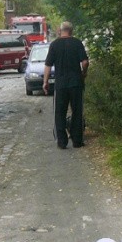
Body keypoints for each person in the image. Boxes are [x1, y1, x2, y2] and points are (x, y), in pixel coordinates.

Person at [43, 21, 89, 149]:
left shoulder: (54, 45)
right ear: (71, 31)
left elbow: (48, 65)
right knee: (77, 111)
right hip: (76, 83)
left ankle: (62, 142)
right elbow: (85, 62)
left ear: (60, 30)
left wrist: (45, 82)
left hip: (61, 84)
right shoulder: (77, 43)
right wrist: (83, 73)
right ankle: (77, 141)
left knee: (59, 112)